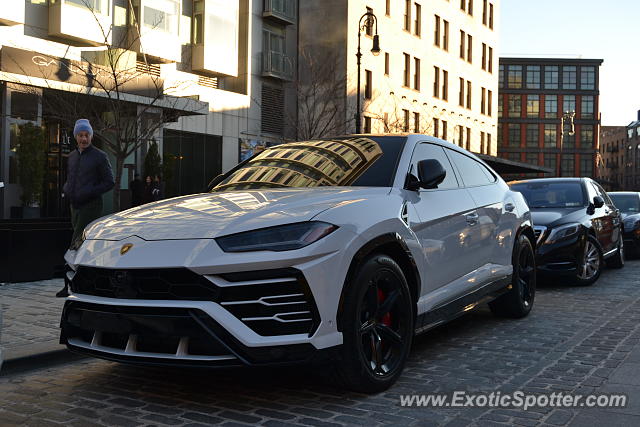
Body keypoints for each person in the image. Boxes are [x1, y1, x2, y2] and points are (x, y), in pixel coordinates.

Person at [57, 119, 114, 297]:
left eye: (86, 135)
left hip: (91, 205)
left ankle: (68, 284)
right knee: (83, 245)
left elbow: (109, 182)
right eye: (80, 135)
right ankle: (87, 282)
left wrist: (89, 192)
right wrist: (66, 189)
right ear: (76, 137)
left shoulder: (100, 156)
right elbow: (70, 178)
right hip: (75, 205)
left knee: (75, 243)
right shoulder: (72, 156)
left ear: (91, 136)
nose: (84, 138)